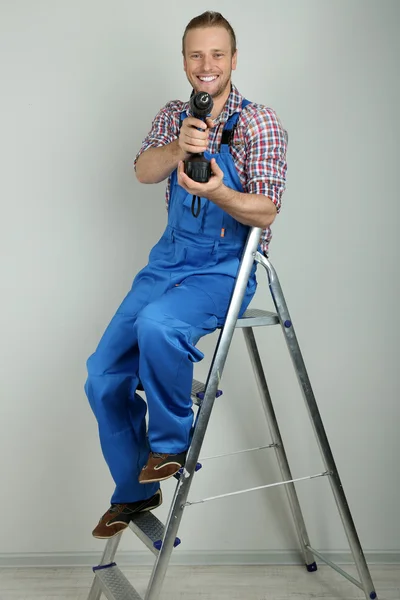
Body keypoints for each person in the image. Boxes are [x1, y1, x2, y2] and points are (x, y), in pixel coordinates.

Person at [85, 11, 288, 539]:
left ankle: (172, 442)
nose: (207, 65)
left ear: (234, 60)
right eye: (196, 55)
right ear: (184, 61)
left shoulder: (259, 122)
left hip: (226, 267)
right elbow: (143, 171)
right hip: (169, 259)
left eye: (217, 54)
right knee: (101, 375)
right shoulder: (175, 114)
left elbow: (265, 211)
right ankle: (134, 489)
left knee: (158, 326)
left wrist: (218, 191)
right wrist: (180, 146)